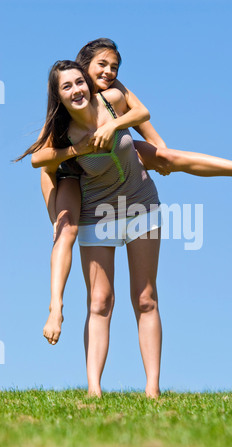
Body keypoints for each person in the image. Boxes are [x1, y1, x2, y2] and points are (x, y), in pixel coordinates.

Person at [26, 38, 232, 349]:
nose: (109, 72)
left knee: (167, 158)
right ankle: (55, 306)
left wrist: (158, 152)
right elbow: (39, 159)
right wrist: (74, 153)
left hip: (113, 154)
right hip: (67, 171)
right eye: (103, 65)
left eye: (114, 67)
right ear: (82, 67)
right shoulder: (69, 101)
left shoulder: (114, 92)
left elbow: (145, 122)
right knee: (66, 228)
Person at [19, 60, 163, 398]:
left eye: (78, 82)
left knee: (145, 298)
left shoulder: (112, 99)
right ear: (58, 96)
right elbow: (37, 160)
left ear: (87, 82)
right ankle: (94, 389)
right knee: (100, 301)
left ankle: (153, 390)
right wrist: (76, 150)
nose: (75, 90)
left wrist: (112, 128)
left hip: (140, 206)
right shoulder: (62, 128)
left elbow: (142, 113)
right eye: (65, 87)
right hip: (97, 214)